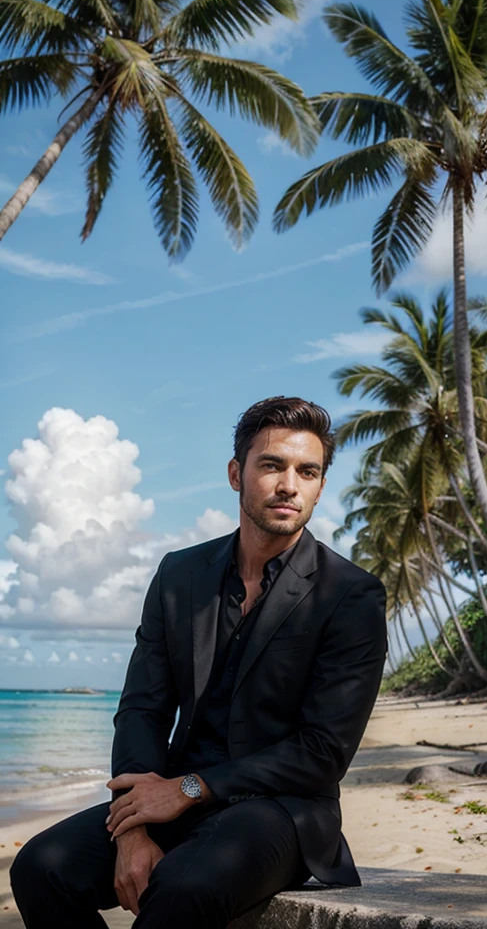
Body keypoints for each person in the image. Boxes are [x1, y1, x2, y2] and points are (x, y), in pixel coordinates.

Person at [11, 396, 387, 929]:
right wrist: (133, 828)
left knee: (184, 886)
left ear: (321, 486)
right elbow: (143, 708)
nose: (289, 485)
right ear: (237, 474)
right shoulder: (179, 575)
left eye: (308, 471)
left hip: (282, 809)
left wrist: (188, 789)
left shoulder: (351, 595)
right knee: (39, 867)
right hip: (170, 802)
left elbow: (322, 752)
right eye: (272, 465)